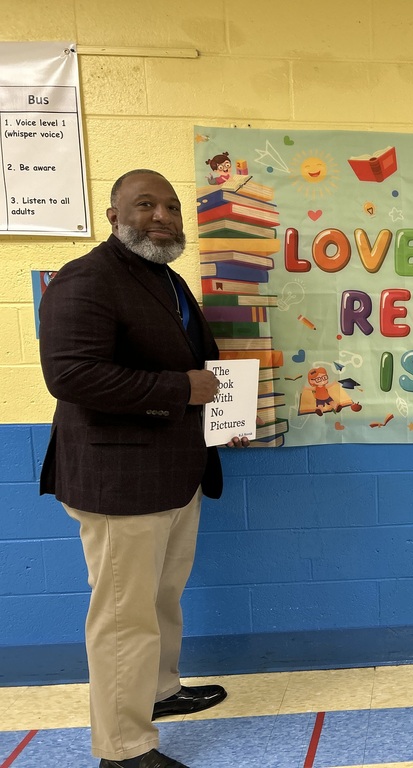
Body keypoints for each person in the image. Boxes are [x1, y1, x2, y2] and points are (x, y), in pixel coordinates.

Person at [39, 169, 248, 768]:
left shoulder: (162, 277)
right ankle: (123, 749)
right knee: (123, 615)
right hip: (119, 483)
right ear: (113, 215)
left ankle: (158, 692)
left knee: (160, 598)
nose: (162, 216)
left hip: (171, 478)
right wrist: (179, 388)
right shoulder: (87, 279)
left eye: (171, 207)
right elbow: (71, 375)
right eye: (144, 205)